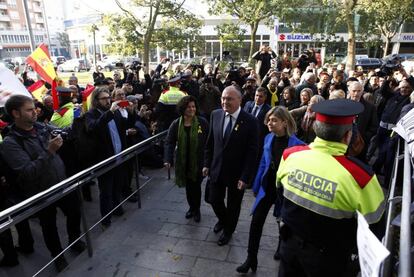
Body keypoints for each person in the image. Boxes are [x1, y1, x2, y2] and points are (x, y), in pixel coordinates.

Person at [276, 99, 385, 277]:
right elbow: (376, 228)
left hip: (289, 249)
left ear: (315, 128)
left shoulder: (290, 156)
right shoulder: (361, 177)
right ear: (347, 136)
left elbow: (280, 194)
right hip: (330, 261)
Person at [0, 95, 85, 272]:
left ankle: (74, 240)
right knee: (49, 226)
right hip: (40, 192)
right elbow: (27, 172)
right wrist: (50, 151)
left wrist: (76, 121)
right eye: (29, 110)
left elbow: (68, 135)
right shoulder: (10, 143)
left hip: (61, 184)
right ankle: (58, 256)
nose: (35, 112)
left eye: (34, 108)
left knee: (75, 212)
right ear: (15, 113)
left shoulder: (41, 127)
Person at [236, 106, 304, 273]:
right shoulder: (268, 138)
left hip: (285, 192)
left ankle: (281, 247)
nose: (269, 123)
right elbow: (263, 163)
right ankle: (251, 258)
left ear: (285, 122)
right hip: (267, 188)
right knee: (256, 222)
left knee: (283, 223)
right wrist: (257, 183)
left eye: (274, 120)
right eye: (268, 120)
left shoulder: (299, 146)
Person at [203, 85, 259, 246]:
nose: (225, 102)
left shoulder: (251, 121)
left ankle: (228, 231)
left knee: (234, 205)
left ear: (240, 100)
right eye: (223, 98)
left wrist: (245, 176)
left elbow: (252, 152)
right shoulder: (215, 114)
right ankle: (223, 220)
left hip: (237, 173)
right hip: (216, 169)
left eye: (229, 99)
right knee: (213, 199)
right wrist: (206, 164)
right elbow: (210, 143)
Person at [85, 87, 128, 228]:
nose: (108, 100)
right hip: (104, 159)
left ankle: (117, 207)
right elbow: (94, 128)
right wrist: (110, 112)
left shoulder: (113, 112)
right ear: (96, 100)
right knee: (106, 190)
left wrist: (134, 114)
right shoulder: (91, 114)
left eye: (109, 97)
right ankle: (106, 218)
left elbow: (124, 126)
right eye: (104, 98)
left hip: (118, 155)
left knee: (117, 185)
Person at [164, 96, 209, 222]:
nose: (191, 109)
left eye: (193, 106)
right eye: (189, 107)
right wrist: (167, 159)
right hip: (184, 162)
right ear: (183, 108)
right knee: (189, 187)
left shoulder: (202, 122)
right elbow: (169, 142)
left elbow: (209, 143)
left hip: (199, 162)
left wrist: (207, 162)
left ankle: (197, 209)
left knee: (196, 186)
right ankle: (192, 207)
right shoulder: (176, 124)